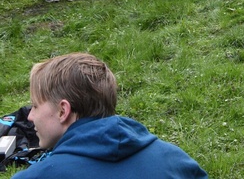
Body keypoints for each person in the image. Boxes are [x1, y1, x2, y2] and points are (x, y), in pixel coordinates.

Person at [18, 52, 207, 178]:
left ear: (63, 111)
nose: (30, 117)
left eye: (35, 106)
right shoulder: (175, 161)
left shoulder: (38, 176)